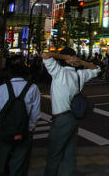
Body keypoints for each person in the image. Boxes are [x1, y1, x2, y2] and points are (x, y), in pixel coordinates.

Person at [42, 48, 100, 176]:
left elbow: (45, 55)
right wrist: (81, 62)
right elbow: (97, 69)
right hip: (73, 119)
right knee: (69, 155)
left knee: (54, 156)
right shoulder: (80, 75)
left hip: (61, 119)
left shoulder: (58, 71)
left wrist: (63, 57)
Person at [0, 59, 41, 176]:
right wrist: (29, 131)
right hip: (23, 134)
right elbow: (35, 116)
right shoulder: (33, 88)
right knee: (19, 168)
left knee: (0, 167)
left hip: (2, 133)